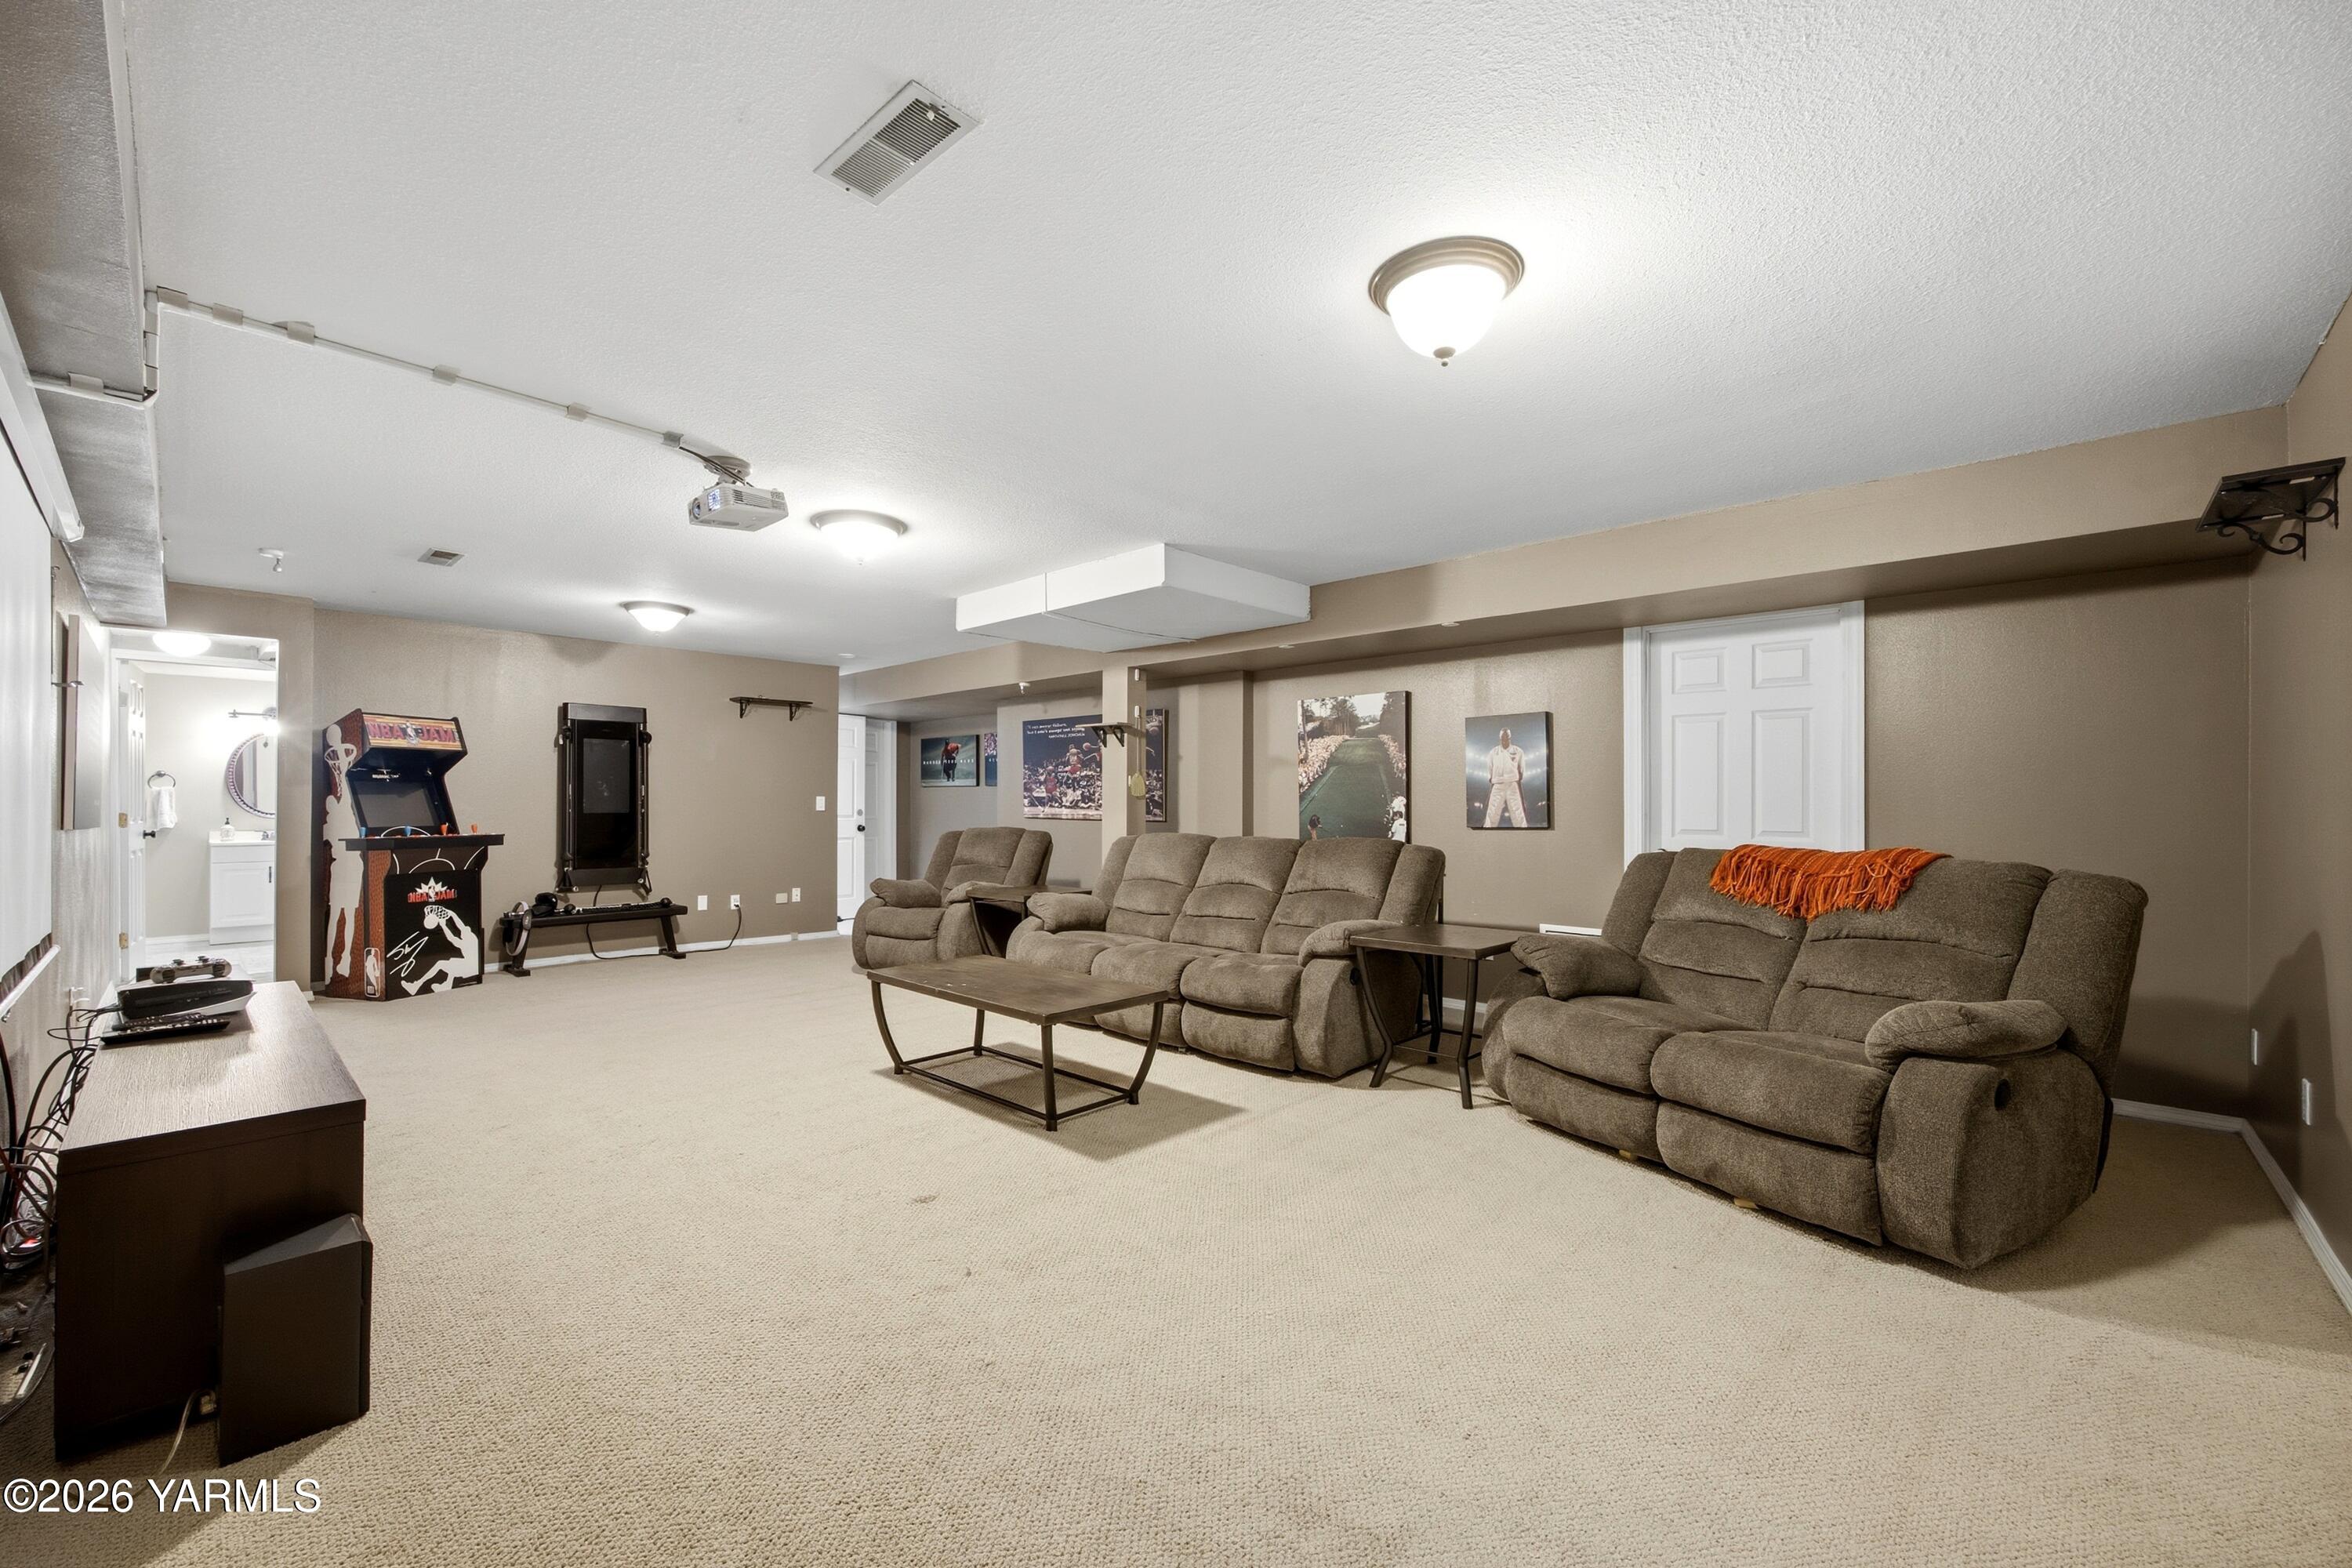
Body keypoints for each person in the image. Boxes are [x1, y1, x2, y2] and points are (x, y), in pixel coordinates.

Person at [1483, 727, 1529, 829]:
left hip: (1512, 784)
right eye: (1502, 738)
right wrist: (1492, 778)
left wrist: (1519, 777)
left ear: (1510, 737)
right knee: (1492, 811)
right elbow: (1490, 767)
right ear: (1500, 738)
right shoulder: (1493, 752)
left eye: (1506, 737)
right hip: (1498, 785)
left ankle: (1524, 832)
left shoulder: (1518, 751)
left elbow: (1522, 768)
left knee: (1517, 811)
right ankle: (1488, 831)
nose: (1504, 740)